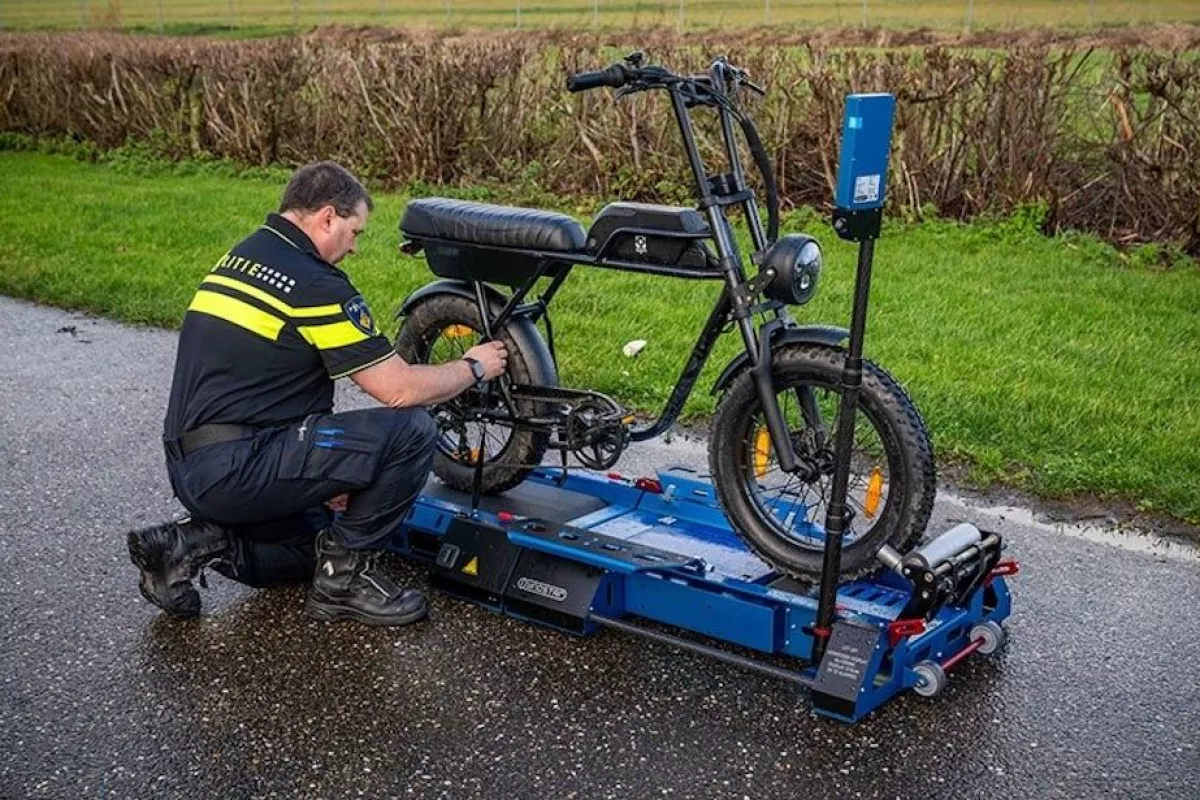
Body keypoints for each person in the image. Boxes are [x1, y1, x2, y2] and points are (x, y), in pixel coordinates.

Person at [127, 161, 507, 626]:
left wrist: (324, 478)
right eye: (354, 231)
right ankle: (343, 584)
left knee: (314, 543)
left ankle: (187, 545)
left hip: (194, 468)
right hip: (240, 465)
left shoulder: (244, 256)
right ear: (327, 217)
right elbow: (400, 389)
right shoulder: (314, 283)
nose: (353, 247)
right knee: (411, 429)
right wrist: (474, 366)